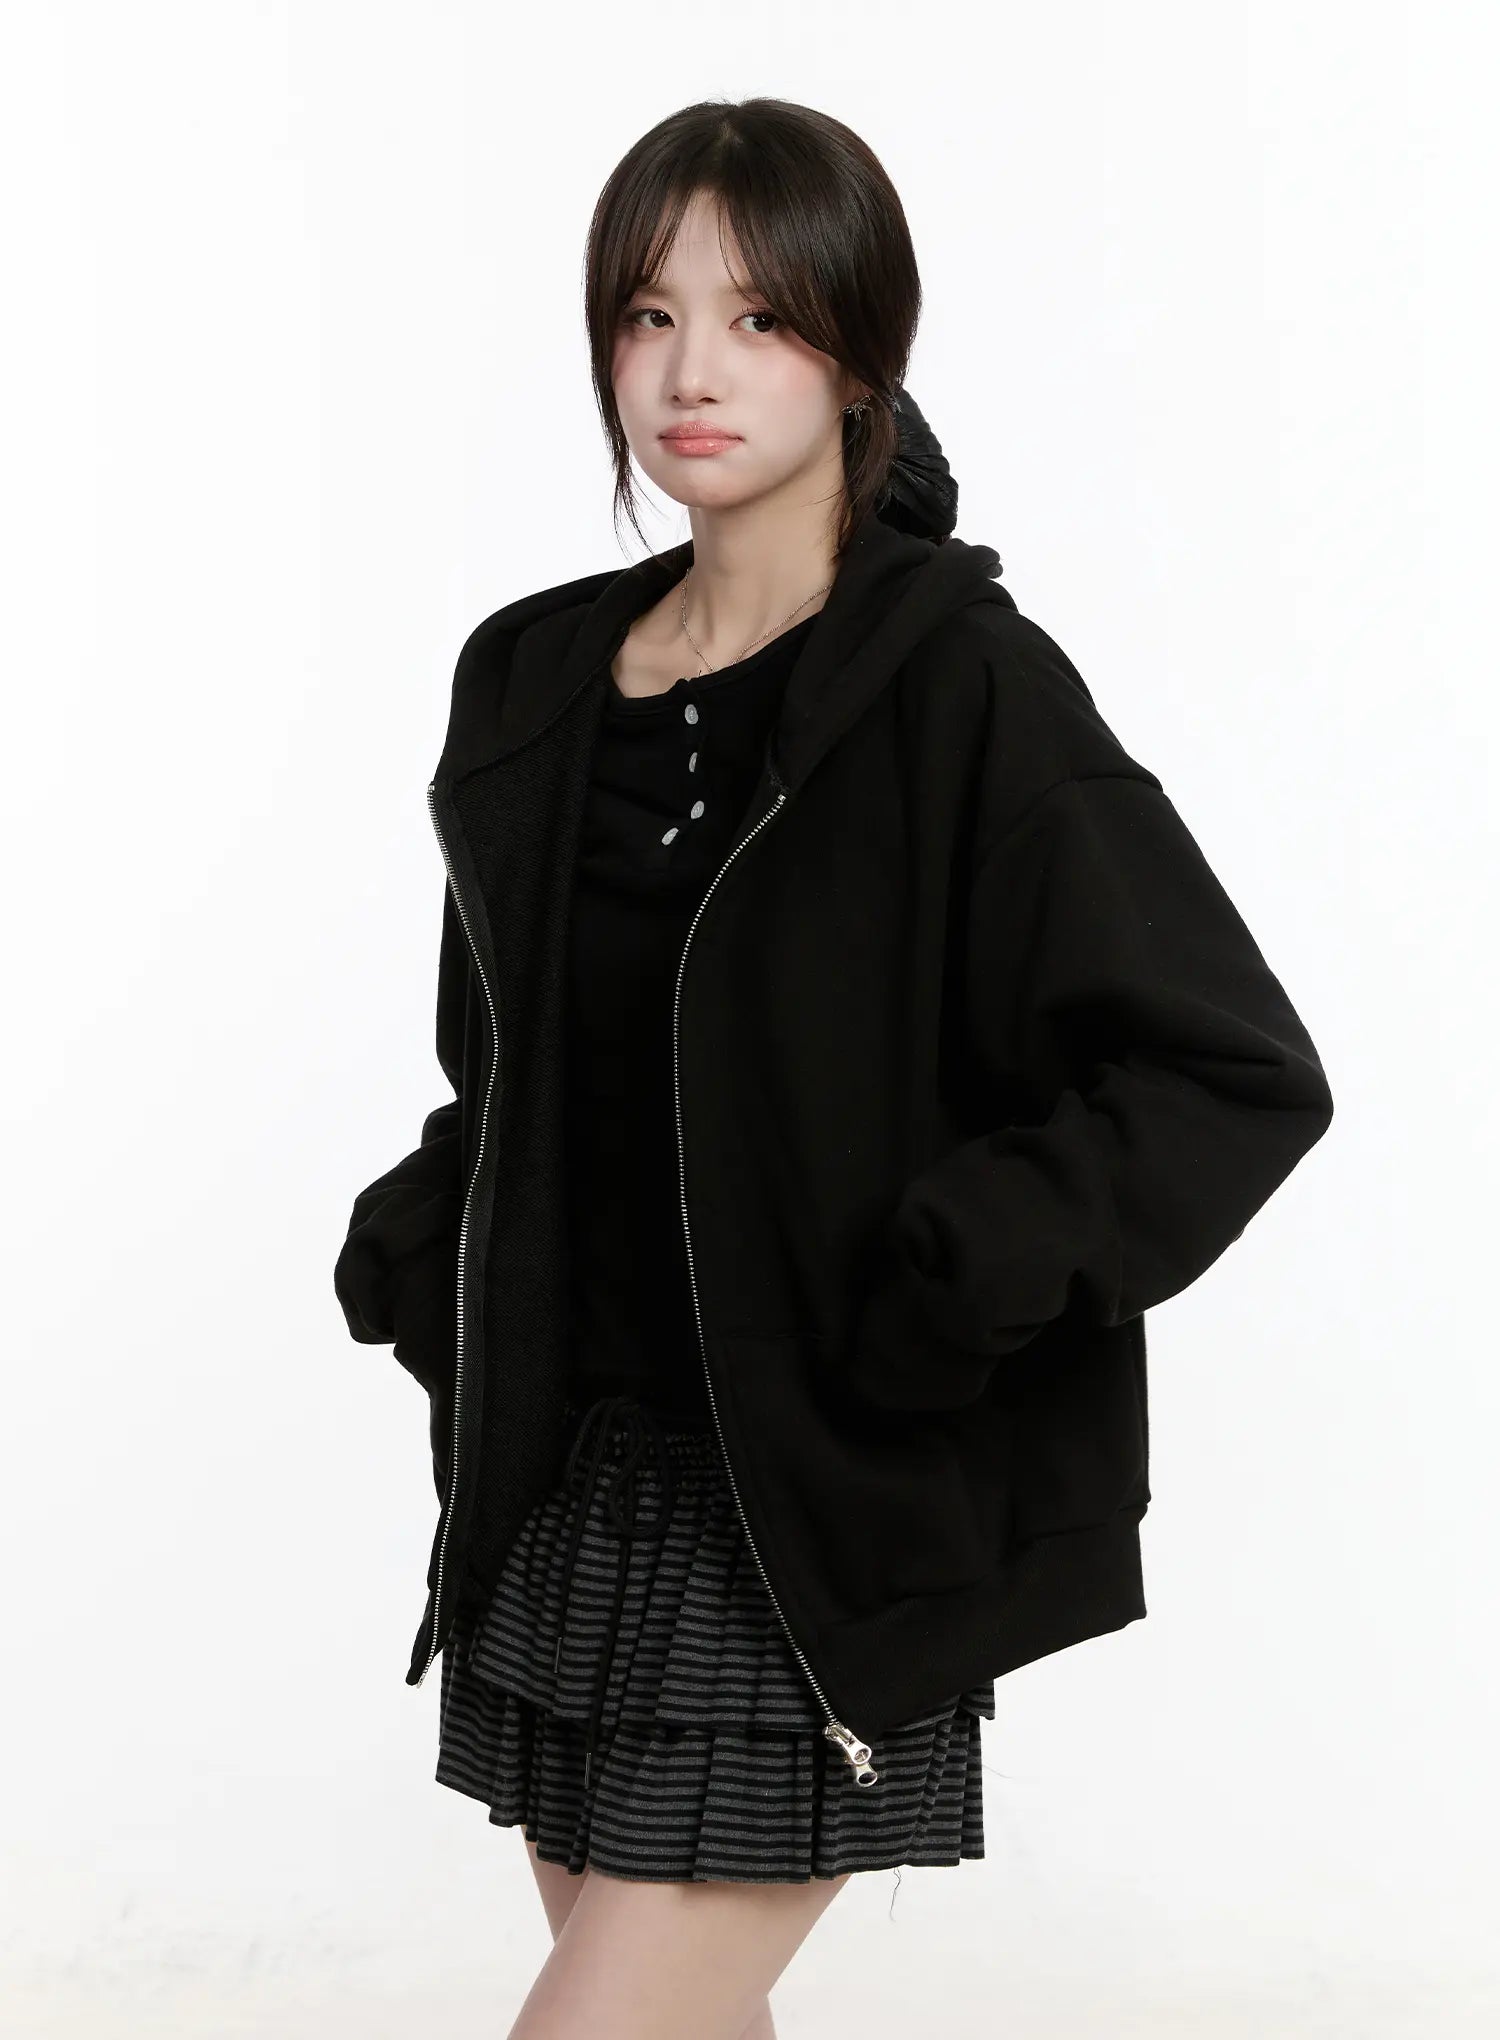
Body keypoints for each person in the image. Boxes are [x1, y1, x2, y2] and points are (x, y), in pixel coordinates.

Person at [333, 96, 1334, 2040]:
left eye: (761, 317)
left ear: (864, 351)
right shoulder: (533, 680)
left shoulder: (961, 687)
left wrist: (957, 1275)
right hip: (566, 1493)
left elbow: (1228, 1068)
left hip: (807, 1514)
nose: (690, 371)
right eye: (647, 315)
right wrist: (435, 1233)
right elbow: (510, 1062)